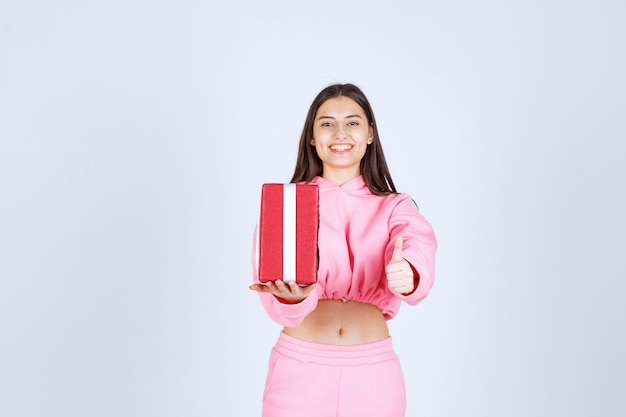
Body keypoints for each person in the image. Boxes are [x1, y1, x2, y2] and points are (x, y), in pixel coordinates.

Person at [249, 83, 437, 417]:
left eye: (352, 122)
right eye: (327, 123)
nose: (340, 133)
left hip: (372, 377)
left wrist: (409, 272)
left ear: (370, 134)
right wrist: (291, 299)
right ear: (311, 136)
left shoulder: (395, 207)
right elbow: (275, 300)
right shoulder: (285, 207)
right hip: (298, 374)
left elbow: (417, 245)